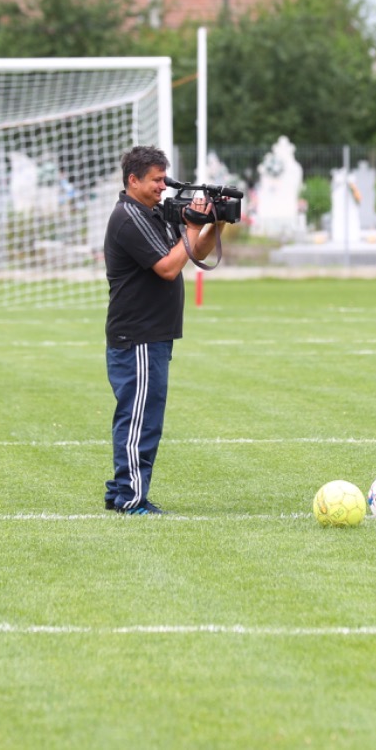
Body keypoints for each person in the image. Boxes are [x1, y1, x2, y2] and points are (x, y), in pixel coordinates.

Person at [103, 145, 219, 515]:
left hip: (153, 334)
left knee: (142, 416)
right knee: (140, 419)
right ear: (132, 180)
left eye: (164, 180)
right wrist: (190, 227)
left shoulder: (153, 213)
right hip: (138, 335)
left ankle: (122, 490)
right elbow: (169, 267)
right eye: (155, 180)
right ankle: (131, 498)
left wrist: (214, 224)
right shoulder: (129, 217)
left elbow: (195, 253)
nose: (162, 187)